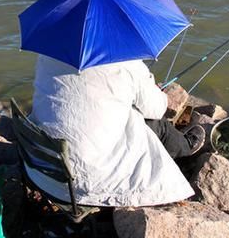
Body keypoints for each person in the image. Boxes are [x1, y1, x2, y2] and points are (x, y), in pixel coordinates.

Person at [29, 54, 205, 207]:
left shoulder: (47, 55)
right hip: (86, 186)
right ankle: (185, 148)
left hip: (42, 170)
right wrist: (151, 88)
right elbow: (157, 109)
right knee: (152, 122)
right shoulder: (127, 63)